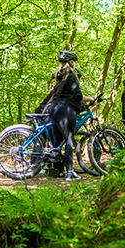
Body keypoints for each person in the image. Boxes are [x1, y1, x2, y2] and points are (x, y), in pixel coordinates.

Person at [38, 50, 95, 181]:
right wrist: (91, 99)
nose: (74, 64)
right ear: (71, 62)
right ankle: (70, 171)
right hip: (65, 110)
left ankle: (56, 169)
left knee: (57, 141)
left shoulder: (60, 78)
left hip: (54, 109)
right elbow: (78, 96)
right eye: (74, 62)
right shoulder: (71, 76)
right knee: (69, 139)